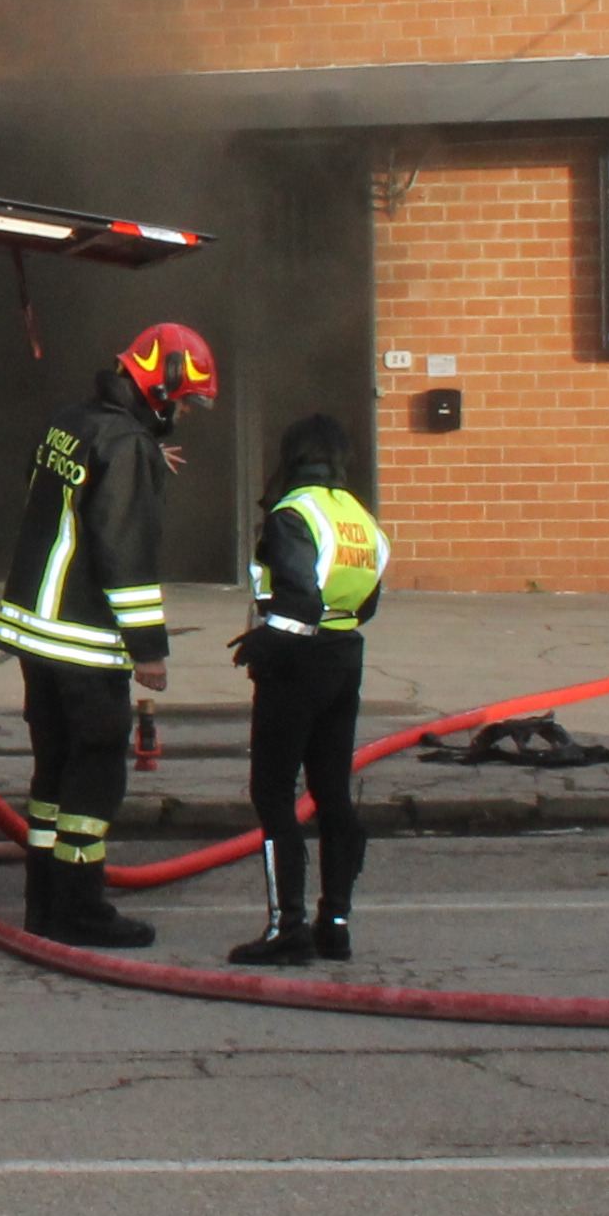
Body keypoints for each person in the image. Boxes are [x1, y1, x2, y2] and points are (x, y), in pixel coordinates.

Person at [0, 321, 217, 948]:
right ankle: (81, 912)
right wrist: (150, 650)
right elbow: (124, 551)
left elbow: (67, 493)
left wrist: (145, 464)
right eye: (182, 402)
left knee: (51, 777)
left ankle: (44, 906)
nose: (184, 416)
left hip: (35, 634)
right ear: (160, 385)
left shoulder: (75, 421)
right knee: (94, 783)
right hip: (83, 640)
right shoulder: (126, 447)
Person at [228, 412, 389, 967]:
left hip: (295, 667)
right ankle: (335, 924)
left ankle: (285, 927)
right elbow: (364, 603)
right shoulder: (360, 519)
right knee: (332, 793)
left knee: (273, 795)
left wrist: (267, 641)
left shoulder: (293, 514)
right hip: (345, 660)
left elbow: (298, 600)